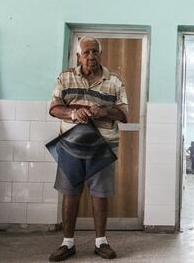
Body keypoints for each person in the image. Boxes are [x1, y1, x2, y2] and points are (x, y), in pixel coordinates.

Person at [48, 36, 128, 261]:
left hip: (103, 147)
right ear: (78, 56)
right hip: (69, 146)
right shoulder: (65, 78)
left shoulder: (114, 80)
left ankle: (101, 242)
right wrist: (73, 113)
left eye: (95, 52)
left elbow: (124, 114)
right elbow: (54, 108)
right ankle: (68, 243)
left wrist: (105, 111)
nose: (91, 56)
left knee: (100, 195)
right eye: (86, 52)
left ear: (100, 54)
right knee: (70, 194)